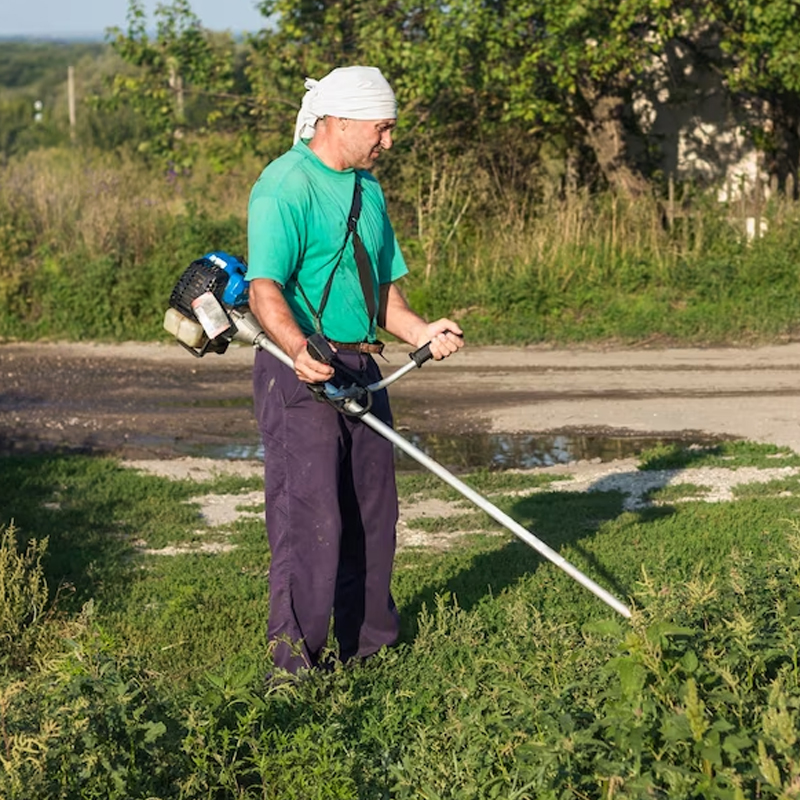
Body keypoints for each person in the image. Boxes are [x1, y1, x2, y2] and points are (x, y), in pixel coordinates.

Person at [245, 65, 464, 675]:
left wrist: (420, 331)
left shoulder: (369, 192)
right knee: (310, 518)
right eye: (382, 129)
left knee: (374, 512)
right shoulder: (284, 185)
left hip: (364, 366)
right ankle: (293, 669)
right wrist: (297, 349)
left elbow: (381, 294)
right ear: (339, 121)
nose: (388, 142)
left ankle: (369, 651)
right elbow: (264, 289)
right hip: (299, 367)